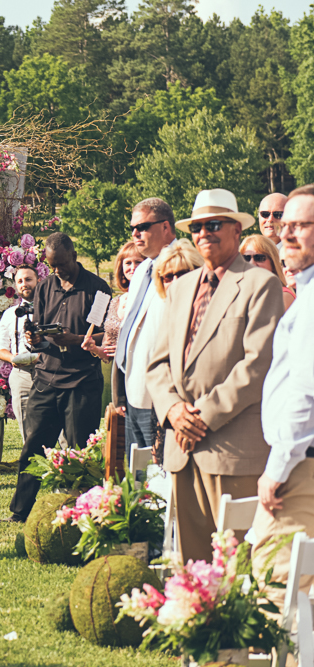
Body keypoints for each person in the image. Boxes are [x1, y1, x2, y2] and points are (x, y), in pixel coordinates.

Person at [146, 188, 283, 563]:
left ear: (237, 230)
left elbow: (257, 366)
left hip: (231, 448)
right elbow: (157, 364)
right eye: (198, 227)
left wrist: (201, 417)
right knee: (193, 571)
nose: (205, 232)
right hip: (181, 449)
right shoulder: (181, 288)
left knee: (235, 570)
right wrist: (174, 411)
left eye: (215, 225)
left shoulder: (261, 285)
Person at [5, 232, 112, 523]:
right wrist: (33, 336)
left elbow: (105, 333)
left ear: (73, 256)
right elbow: (39, 329)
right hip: (47, 377)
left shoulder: (98, 289)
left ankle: (83, 513)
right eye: (52, 265)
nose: (57, 271)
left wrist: (74, 338)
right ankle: (20, 511)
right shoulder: (44, 288)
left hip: (81, 382)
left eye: (62, 264)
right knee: (33, 447)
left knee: (79, 454)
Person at [252, 184, 314, 619]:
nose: (286, 234)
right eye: (284, 224)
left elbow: (306, 393)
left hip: (298, 468)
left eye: (301, 225)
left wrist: (277, 469)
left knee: (278, 587)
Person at [113, 198, 177, 457]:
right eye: (132, 228)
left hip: (160, 393)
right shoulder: (142, 270)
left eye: (143, 227)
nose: (135, 234)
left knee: (157, 475)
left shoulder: (180, 266)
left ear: (165, 227)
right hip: (133, 388)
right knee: (136, 476)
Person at [0, 265, 39, 442]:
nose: (24, 284)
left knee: (60, 429)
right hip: (21, 375)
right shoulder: (9, 314)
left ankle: (64, 466)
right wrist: (12, 358)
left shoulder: (52, 309)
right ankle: (31, 468)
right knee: (28, 431)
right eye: (20, 281)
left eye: (28, 279)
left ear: (38, 281)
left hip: (49, 373)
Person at [82, 241, 143, 363]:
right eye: (128, 263)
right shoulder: (115, 302)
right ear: (121, 267)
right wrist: (94, 348)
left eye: (138, 262)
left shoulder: (152, 298)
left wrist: (127, 351)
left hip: (143, 369)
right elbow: (107, 351)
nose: (133, 267)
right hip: (118, 372)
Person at [240, 233, 295, 311]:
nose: (251, 263)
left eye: (259, 258)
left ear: (273, 262)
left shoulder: (283, 296)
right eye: (246, 258)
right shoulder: (238, 294)